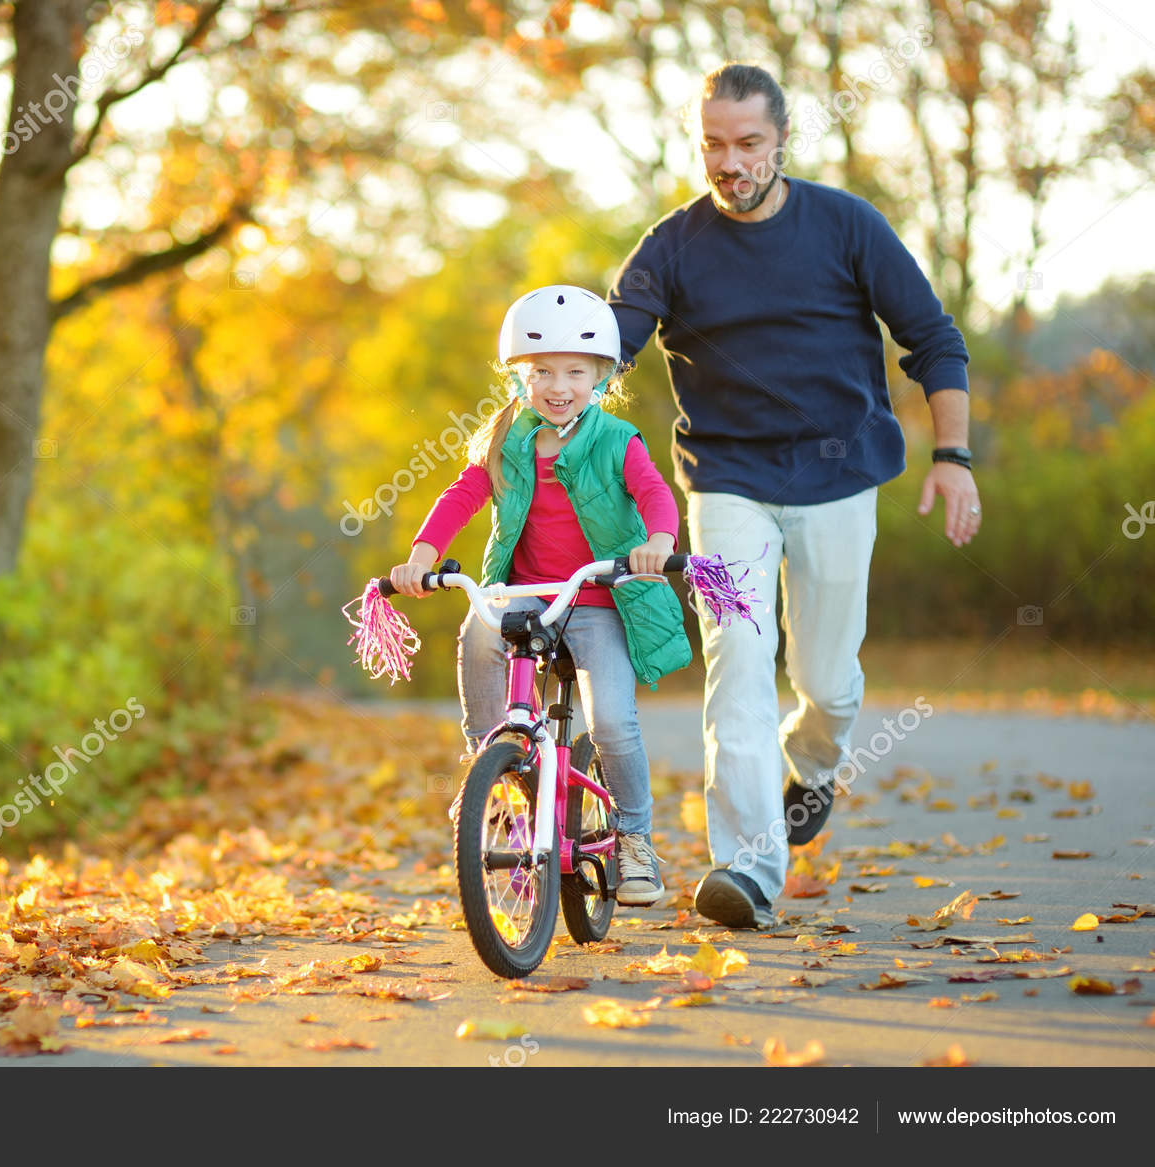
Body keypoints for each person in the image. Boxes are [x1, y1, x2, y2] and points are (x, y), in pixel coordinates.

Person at [606, 63, 979, 929]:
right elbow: (614, 339)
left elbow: (932, 339)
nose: (730, 163)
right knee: (738, 658)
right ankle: (747, 867)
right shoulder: (672, 244)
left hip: (839, 479)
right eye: (714, 145)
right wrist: (558, 392)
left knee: (827, 681)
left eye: (749, 144)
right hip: (727, 482)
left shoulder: (846, 226)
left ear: (780, 142)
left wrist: (953, 455)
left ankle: (813, 763)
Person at [388, 284, 692, 906]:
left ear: (601, 375)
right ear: (518, 378)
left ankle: (635, 839)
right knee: (479, 630)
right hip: (525, 593)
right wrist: (422, 555)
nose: (559, 386)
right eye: (542, 372)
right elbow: (463, 495)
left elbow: (655, 493)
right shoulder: (507, 439)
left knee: (611, 721)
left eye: (575, 372)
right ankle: (489, 768)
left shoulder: (617, 439)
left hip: (596, 598)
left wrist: (658, 541)